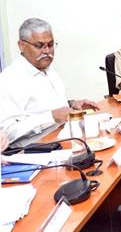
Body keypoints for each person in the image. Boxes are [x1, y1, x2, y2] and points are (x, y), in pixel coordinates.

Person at [0, 18, 99, 147]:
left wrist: (72, 105)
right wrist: (50, 117)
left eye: (51, 45)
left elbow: (45, 106)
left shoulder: (47, 68)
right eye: (39, 46)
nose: (47, 51)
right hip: (36, 151)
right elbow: (7, 132)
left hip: (64, 139)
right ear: (21, 45)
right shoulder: (9, 79)